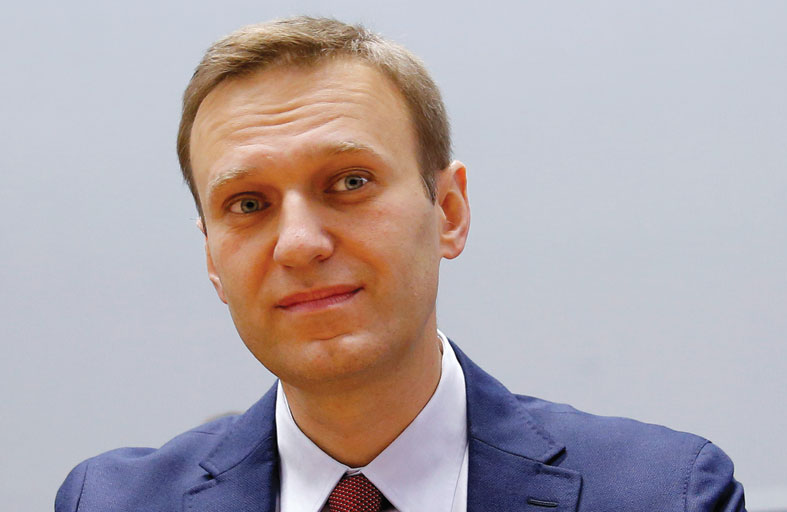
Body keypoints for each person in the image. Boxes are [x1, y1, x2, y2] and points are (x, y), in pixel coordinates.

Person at [56, 16, 745, 512]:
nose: (299, 243)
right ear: (212, 257)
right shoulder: (110, 501)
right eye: (248, 204)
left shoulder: (666, 494)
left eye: (349, 182)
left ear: (449, 211)